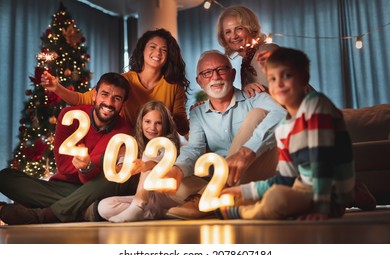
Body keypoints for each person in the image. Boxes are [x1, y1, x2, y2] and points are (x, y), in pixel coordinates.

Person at [216, 47, 375, 221]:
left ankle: (238, 213)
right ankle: (260, 206)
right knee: (268, 193)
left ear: (304, 78)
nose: (279, 84)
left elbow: (322, 160)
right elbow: (285, 178)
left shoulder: (316, 106)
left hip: (330, 194)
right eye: (273, 79)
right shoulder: (284, 126)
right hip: (304, 189)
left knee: (276, 199)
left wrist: (322, 207)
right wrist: (242, 191)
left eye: (287, 76)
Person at [0, 72, 140, 225]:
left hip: (97, 187)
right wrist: (94, 164)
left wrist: (87, 167)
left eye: (117, 98)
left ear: (123, 105)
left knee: (114, 178)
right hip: (65, 188)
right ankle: (84, 210)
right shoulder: (70, 116)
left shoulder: (124, 133)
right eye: (104, 94)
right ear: (94, 95)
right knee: (5, 177)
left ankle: (44, 216)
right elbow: (65, 167)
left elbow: (102, 176)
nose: (108, 102)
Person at [163, 50, 287, 219]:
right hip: (219, 181)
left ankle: (202, 199)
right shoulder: (197, 113)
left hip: (258, 172)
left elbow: (281, 114)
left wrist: (247, 151)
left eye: (221, 70)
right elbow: (194, 149)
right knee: (169, 179)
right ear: (199, 81)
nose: (215, 77)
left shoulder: (254, 96)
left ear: (232, 74)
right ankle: (225, 198)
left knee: (257, 114)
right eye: (207, 73)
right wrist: (177, 169)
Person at [41, 28, 190, 136]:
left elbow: (182, 127)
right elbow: (81, 99)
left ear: (169, 55)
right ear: (142, 50)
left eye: (164, 50)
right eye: (153, 47)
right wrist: (56, 87)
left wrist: (199, 116)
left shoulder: (174, 87)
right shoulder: (125, 80)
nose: (158, 53)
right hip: (125, 145)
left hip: (158, 150)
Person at [97, 101, 206, 222]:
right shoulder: (134, 143)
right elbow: (124, 158)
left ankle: (138, 206)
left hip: (176, 192)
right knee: (104, 207)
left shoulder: (167, 144)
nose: (152, 128)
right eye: (147, 122)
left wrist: (145, 165)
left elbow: (162, 164)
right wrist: (120, 166)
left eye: (158, 123)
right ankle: (162, 213)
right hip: (154, 198)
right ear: (141, 122)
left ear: (165, 125)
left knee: (149, 152)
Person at [216, 5, 279, 97]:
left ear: (251, 29)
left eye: (239, 29)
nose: (234, 36)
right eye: (228, 32)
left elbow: (280, 95)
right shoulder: (246, 62)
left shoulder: (267, 52)